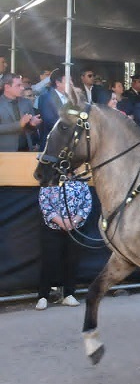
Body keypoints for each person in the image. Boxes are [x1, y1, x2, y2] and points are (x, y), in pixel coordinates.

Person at [35, 178, 92, 310]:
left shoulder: (81, 182)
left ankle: (69, 294)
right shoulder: (48, 181)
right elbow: (45, 204)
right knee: (49, 261)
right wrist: (61, 222)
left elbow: (87, 203)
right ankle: (43, 296)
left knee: (72, 260)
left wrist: (75, 221)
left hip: (75, 228)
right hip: (52, 229)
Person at [0, 73, 41, 152]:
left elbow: (31, 129)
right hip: (5, 152)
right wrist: (19, 124)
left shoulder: (26, 102)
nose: (22, 88)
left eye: (22, 85)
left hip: (26, 149)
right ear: (7, 87)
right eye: (18, 85)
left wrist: (32, 124)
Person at [37, 66, 70, 142]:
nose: (71, 83)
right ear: (58, 83)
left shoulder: (70, 98)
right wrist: (73, 127)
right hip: (51, 143)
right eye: (68, 81)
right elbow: (50, 122)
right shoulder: (46, 98)